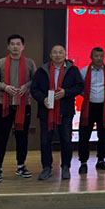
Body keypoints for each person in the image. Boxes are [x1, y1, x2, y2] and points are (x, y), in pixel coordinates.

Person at [31, 45, 84, 181]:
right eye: (55, 52)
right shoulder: (42, 70)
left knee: (66, 140)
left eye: (61, 52)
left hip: (65, 111)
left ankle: (65, 167)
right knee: (45, 141)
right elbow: (34, 89)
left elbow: (80, 87)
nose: (58, 55)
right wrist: (42, 99)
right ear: (50, 55)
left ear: (65, 55)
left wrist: (66, 92)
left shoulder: (72, 70)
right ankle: (46, 167)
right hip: (46, 110)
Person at [0, 34, 37, 183]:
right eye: (12, 44)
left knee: (22, 137)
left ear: (23, 47)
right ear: (8, 46)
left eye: (18, 44)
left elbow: (35, 79)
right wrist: (5, 87)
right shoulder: (0, 62)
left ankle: (21, 166)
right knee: (1, 137)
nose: (15, 47)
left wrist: (26, 86)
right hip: (4, 105)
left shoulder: (29, 63)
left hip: (24, 104)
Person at [78, 47, 105, 175]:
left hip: (104, 107)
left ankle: (101, 160)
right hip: (88, 107)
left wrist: (104, 95)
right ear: (91, 57)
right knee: (84, 136)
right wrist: (88, 96)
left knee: (103, 135)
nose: (99, 58)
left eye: (101, 56)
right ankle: (83, 162)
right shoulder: (83, 71)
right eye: (96, 56)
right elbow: (79, 88)